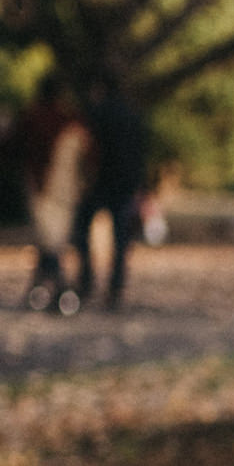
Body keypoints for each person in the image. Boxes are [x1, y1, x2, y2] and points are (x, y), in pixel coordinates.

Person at [68, 75, 150, 309]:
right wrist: (141, 186)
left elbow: (84, 151)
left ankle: (86, 278)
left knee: (82, 230)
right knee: (121, 238)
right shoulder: (132, 115)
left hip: (96, 183)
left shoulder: (92, 114)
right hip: (123, 183)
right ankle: (115, 286)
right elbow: (140, 153)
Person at [11, 76, 91, 313]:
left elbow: (14, 148)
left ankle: (56, 288)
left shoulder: (33, 118)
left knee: (50, 240)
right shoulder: (71, 120)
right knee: (52, 240)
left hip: (44, 187)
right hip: (65, 189)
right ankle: (49, 289)